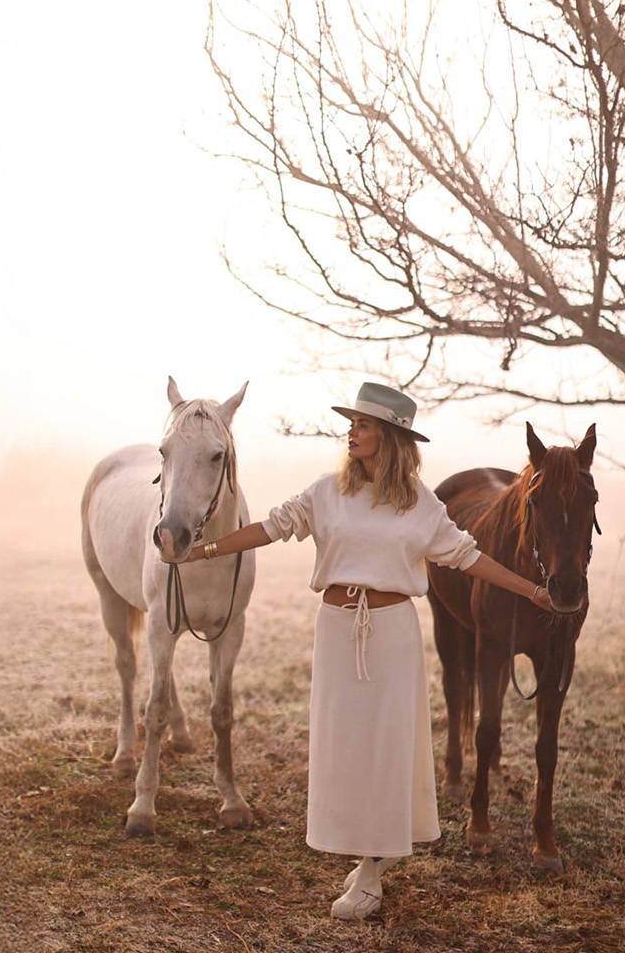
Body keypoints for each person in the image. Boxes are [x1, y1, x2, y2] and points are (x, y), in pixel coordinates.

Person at [184, 382, 557, 921]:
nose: (351, 431)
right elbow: (271, 527)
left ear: (391, 437)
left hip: (391, 634)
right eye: (352, 423)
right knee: (345, 748)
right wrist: (205, 550)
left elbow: (467, 556)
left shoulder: (419, 503)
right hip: (336, 632)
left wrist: (530, 590)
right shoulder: (326, 491)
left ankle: (372, 870)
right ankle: (362, 852)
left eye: (362, 424)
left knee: (385, 749)